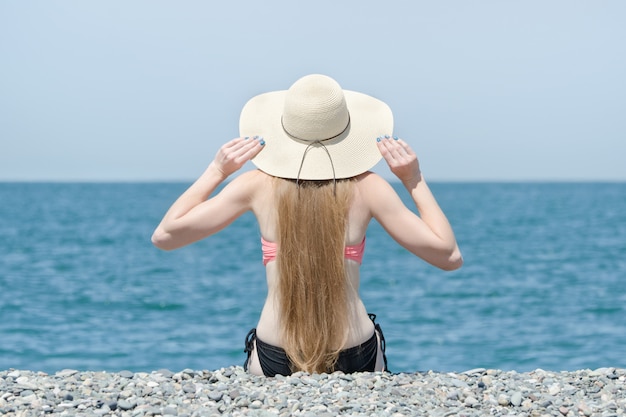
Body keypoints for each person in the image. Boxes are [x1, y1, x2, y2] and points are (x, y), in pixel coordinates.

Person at [151, 74, 463, 377]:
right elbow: (449, 257)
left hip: (276, 353)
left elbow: (165, 236)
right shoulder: (370, 188)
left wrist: (217, 170)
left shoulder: (256, 185)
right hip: (354, 352)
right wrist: (413, 179)